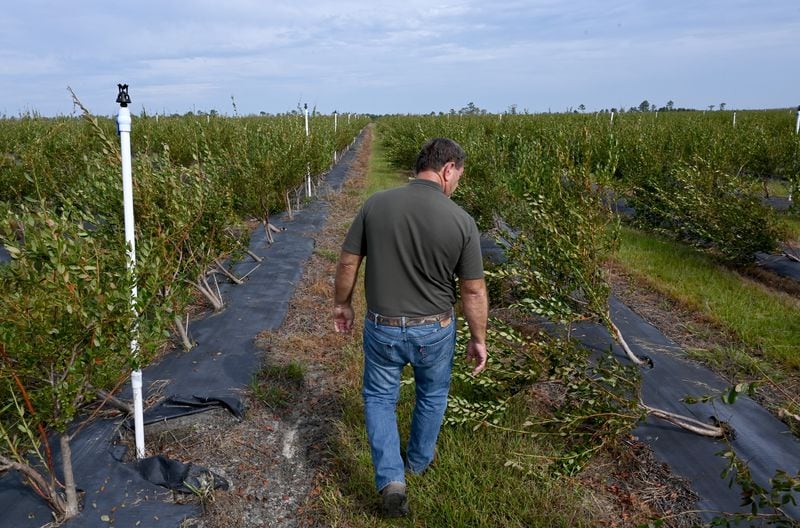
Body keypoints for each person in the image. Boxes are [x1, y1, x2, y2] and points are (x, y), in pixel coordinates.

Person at [333, 137, 488, 517]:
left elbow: (349, 262)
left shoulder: (376, 205)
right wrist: (478, 338)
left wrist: (343, 304)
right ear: (448, 169)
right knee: (432, 395)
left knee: (380, 398)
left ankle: (391, 478)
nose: (457, 185)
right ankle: (417, 462)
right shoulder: (461, 221)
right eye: (459, 177)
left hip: (382, 326)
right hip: (434, 329)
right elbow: (472, 289)